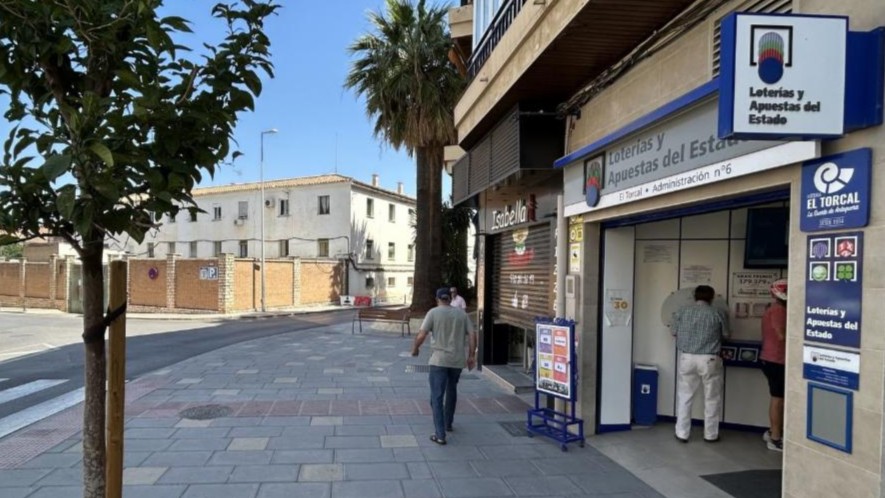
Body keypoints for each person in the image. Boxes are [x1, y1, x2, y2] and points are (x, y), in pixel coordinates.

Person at [411, 287, 477, 445]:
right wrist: (471, 356)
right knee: (452, 390)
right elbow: (472, 335)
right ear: (450, 298)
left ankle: (440, 434)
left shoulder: (433, 313)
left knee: (437, 396)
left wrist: (415, 348)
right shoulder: (461, 314)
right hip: (457, 361)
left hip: (439, 361)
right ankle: (448, 424)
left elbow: (422, 334)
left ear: (437, 299)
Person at [671, 285, 729, 443]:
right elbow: (726, 334)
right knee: (712, 398)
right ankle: (710, 434)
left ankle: (682, 433)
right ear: (712, 297)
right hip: (709, 359)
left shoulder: (683, 311)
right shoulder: (717, 313)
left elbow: (673, 332)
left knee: (685, 396)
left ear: (695, 296)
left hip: (686, 357)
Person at [760, 279, 787, 452]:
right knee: (778, 400)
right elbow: (781, 335)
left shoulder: (774, 309)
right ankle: (775, 438)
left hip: (772, 359)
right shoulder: (778, 311)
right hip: (776, 360)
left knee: (779, 399)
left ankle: (772, 432)